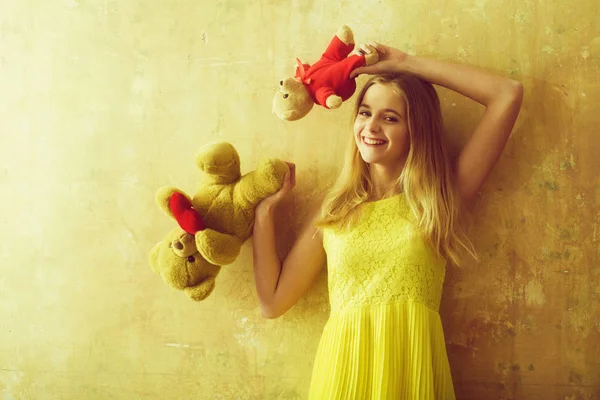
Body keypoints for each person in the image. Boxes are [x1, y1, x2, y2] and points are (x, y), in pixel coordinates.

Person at [252, 42, 523, 399]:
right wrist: (265, 213)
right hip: (342, 379)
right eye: (364, 112)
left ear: (416, 129)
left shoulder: (438, 199)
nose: (371, 126)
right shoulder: (335, 208)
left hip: (411, 378)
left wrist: (409, 64)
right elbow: (272, 302)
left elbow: (507, 94)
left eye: (390, 117)